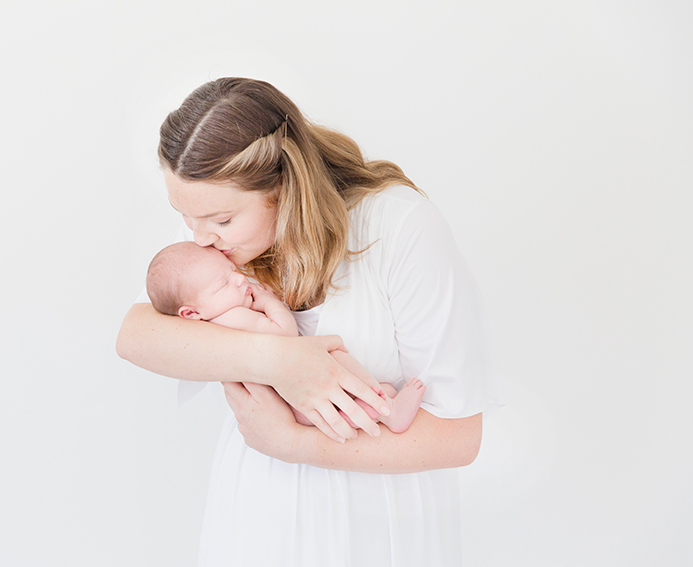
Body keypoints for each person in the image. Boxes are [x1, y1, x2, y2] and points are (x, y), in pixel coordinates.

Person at [117, 77, 504, 566]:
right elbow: (135, 335)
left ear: (284, 189)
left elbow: (460, 436)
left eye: (220, 220)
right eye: (186, 216)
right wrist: (282, 361)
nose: (199, 237)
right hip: (255, 517)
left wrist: (291, 442)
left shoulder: (400, 227)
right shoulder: (214, 233)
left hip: (379, 529)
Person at [145, 240, 427, 434]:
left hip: (288, 405)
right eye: (224, 284)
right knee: (335, 357)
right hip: (298, 403)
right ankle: (387, 410)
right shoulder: (233, 317)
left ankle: (377, 401)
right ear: (190, 313)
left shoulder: (211, 322)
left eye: (232, 271)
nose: (240, 279)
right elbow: (284, 335)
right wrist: (271, 302)